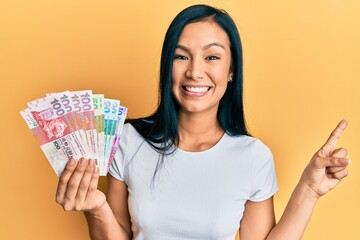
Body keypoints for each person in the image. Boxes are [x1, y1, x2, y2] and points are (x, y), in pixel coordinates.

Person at [55, 4, 350, 240]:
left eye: (211, 57)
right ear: (167, 66)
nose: (195, 72)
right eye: (181, 56)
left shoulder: (253, 157)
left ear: (231, 70)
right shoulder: (129, 140)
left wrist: (308, 191)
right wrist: (95, 209)